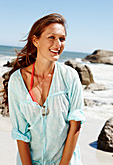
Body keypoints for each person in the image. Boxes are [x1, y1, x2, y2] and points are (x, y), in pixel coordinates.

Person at [6, 13, 85, 165]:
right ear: (36, 40)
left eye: (62, 39)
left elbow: (76, 125)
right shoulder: (17, 81)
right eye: (51, 37)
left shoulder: (70, 76)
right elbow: (21, 133)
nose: (58, 44)